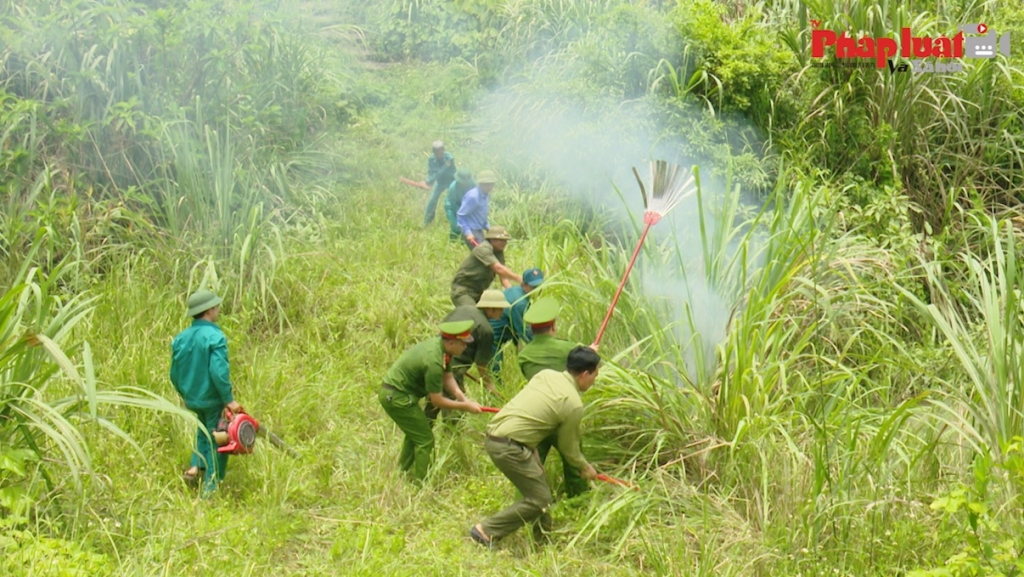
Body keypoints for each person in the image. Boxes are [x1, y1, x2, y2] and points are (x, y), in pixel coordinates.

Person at [469, 346, 603, 548]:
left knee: (539, 489)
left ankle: (542, 538)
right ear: (585, 374)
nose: (594, 381)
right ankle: (486, 530)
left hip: (497, 435)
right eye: (595, 375)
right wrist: (586, 467)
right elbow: (569, 449)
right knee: (540, 499)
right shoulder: (573, 404)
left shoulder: (546, 374)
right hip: (509, 447)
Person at [379, 320, 483, 481]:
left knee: (415, 434)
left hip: (399, 394)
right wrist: (465, 406)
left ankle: (402, 473)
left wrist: (463, 398)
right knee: (425, 440)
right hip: (397, 397)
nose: (465, 347)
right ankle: (421, 484)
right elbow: (437, 401)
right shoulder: (433, 361)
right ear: (451, 342)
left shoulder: (442, 350)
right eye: (463, 343)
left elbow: (448, 376)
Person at [516, 297, 594, 498]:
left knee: (532, 462)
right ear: (553, 326)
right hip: (564, 412)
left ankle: (525, 501)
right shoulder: (567, 348)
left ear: (532, 329)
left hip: (539, 414)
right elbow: (579, 363)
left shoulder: (524, 355)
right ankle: (579, 500)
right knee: (573, 458)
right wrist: (590, 352)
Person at [170, 288, 244, 494]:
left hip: (192, 398)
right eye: (217, 306)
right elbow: (218, 372)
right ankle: (211, 489)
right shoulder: (214, 337)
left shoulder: (181, 338)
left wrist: (185, 393)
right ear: (210, 310)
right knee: (220, 437)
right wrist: (228, 400)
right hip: (212, 399)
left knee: (202, 429)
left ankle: (195, 467)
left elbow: (174, 373)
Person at [433, 290, 510, 412]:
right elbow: (481, 364)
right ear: (491, 309)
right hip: (453, 367)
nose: (503, 312)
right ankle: (451, 431)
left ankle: (424, 428)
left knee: (433, 399)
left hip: (434, 357)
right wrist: (489, 384)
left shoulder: (463, 309)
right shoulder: (486, 330)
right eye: (501, 308)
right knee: (456, 404)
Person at [450, 226, 523, 308]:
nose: (504, 243)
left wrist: (512, 293)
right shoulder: (483, 249)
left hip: (479, 292)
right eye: (501, 240)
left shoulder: (498, 252)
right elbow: (498, 268)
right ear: (492, 239)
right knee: (473, 314)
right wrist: (520, 279)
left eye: (505, 241)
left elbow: (503, 276)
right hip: (463, 291)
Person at [489, 268, 545, 373]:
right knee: (495, 368)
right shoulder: (520, 303)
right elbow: (524, 331)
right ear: (524, 285)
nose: (538, 289)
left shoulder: (516, 291)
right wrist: (543, 347)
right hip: (492, 335)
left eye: (540, 286)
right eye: (534, 287)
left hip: (498, 332)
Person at [457, 169, 497, 248]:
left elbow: (481, 213)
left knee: (482, 253)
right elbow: (461, 215)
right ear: (481, 184)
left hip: (479, 229)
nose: (489, 186)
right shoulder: (473, 197)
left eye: (491, 184)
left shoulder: (486, 195)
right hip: (472, 230)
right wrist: (468, 233)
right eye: (486, 184)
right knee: (482, 254)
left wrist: (488, 227)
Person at [423, 141, 456, 227]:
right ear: (434, 152)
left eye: (441, 151)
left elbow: (441, 171)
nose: (439, 154)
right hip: (440, 182)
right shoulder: (431, 159)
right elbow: (431, 172)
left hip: (451, 181)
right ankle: (427, 222)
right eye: (437, 152)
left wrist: (430, 180)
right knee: (432, 200)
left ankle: (456, 221)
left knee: (453, 200)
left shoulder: (449, 158)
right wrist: (428, 181)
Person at [444, 168, 475, 242]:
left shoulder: (474, 185)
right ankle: (452, 243)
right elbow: (452, 205)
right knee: (456, 227)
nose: (465, 184)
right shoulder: (453, 187)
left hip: (467, 208)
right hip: (453, 207)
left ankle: (463, 243)